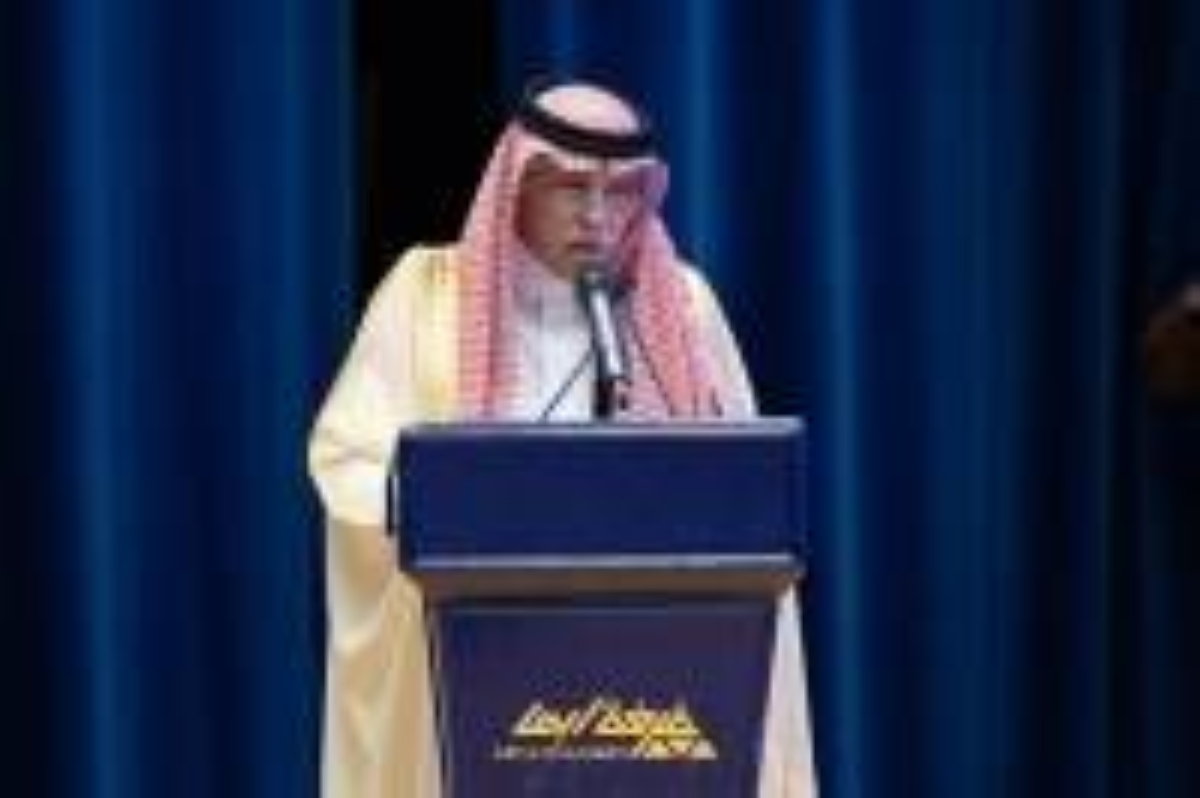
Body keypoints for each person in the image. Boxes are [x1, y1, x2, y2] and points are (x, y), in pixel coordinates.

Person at [308, 76, 818, 796]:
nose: (598, 216)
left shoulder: (684, 306)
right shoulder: (426, 297)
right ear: (517, 185)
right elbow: (346, 463)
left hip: (655, 672)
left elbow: (741, 493)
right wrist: (449, 505)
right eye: (572, 188)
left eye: (621, 192)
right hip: (483, 656)